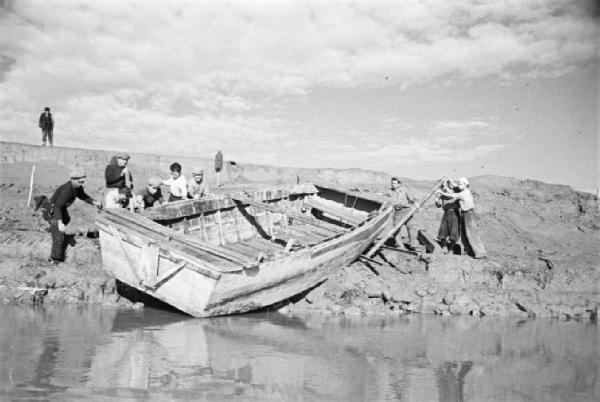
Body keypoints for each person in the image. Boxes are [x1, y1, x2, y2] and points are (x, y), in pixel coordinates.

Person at [46, 167, 102, 264]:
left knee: (66, 219)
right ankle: (54, 259)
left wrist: (94, 202)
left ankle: (54, 228)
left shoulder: (77, 187)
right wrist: (59, 222)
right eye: (80, 181)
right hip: (54, 209)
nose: (82, 183)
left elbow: (83, 196)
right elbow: (57, 206)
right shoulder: (67, 190)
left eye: (83, 181)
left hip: (61, 208)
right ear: (73, 179)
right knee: (59, 235)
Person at [436, 177, 486, 259]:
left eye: (460, 184)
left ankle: (480, 252)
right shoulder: (462, 190)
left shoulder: (463, 193)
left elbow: (453, 194)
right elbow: (455, 187)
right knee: (464, 234)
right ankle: (469, 252)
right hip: (462, 213)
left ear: (465, 185)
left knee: (470, 233)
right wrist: (448, 181)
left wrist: (443, 189)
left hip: (468, 213)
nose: (458, 185)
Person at [386, 176, 416, 250]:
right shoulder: (390, 192)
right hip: (397, 212)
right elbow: (387, 200)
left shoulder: (404, 190)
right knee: (396, 229)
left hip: (407, 210)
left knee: (411, 227)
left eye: (395, 183)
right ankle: (400, 246)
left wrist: (414, 202)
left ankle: (413, 246)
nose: (393, 184)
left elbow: (411, 199)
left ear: (399, 184)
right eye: (392, 183)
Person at [435, 178, 461, 254]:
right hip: (446, 213)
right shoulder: (442, 193)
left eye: (447, 183)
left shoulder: (455, 192)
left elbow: (453, 197)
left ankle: (451, 249)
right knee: (443, 230)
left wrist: (443, 191)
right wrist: (437, 199)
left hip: (454, 213)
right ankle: (444, 246)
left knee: (454, 232)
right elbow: (438, 205)